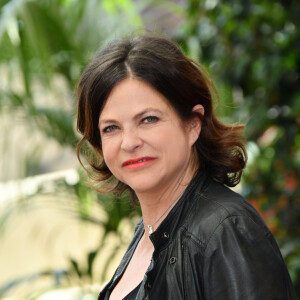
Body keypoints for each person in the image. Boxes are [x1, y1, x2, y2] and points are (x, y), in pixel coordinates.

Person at [76, 34, 296, 300]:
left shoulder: (225, 230)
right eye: (111, 128)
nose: (130, 142)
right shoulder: (148, 232)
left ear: (193, 124)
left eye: (148, 119)